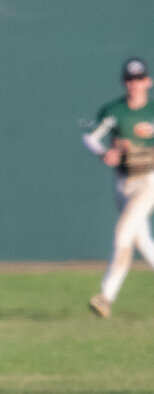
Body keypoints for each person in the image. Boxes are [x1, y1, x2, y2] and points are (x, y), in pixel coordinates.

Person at [83, 57, 154, 318]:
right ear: (124, 82)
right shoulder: (114, 112)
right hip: (122, 181)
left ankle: (105, 297)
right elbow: (89, 139)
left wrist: (145, 151)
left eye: (139, 79)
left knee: (122, 235)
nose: (134, 84)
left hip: (149, 182)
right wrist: (104, 153)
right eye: (129, 79)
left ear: (148, 81)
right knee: (142, 241)